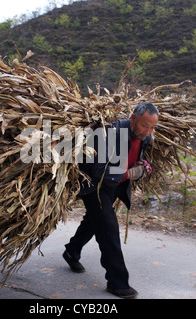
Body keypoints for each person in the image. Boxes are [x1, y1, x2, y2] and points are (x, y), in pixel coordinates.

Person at [63, 102, 159, 298]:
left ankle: (71, 251)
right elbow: (97, 170)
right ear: (133, 118)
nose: (147, 131)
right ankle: (118, 282)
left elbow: (132, 158)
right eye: (144, 125)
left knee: (93, 222)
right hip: (94, 187)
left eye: (152, 128)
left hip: (113, 187)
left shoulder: (144, 138)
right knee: (108, 229)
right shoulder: (108, 133)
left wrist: (141, 166)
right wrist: (130, 174)